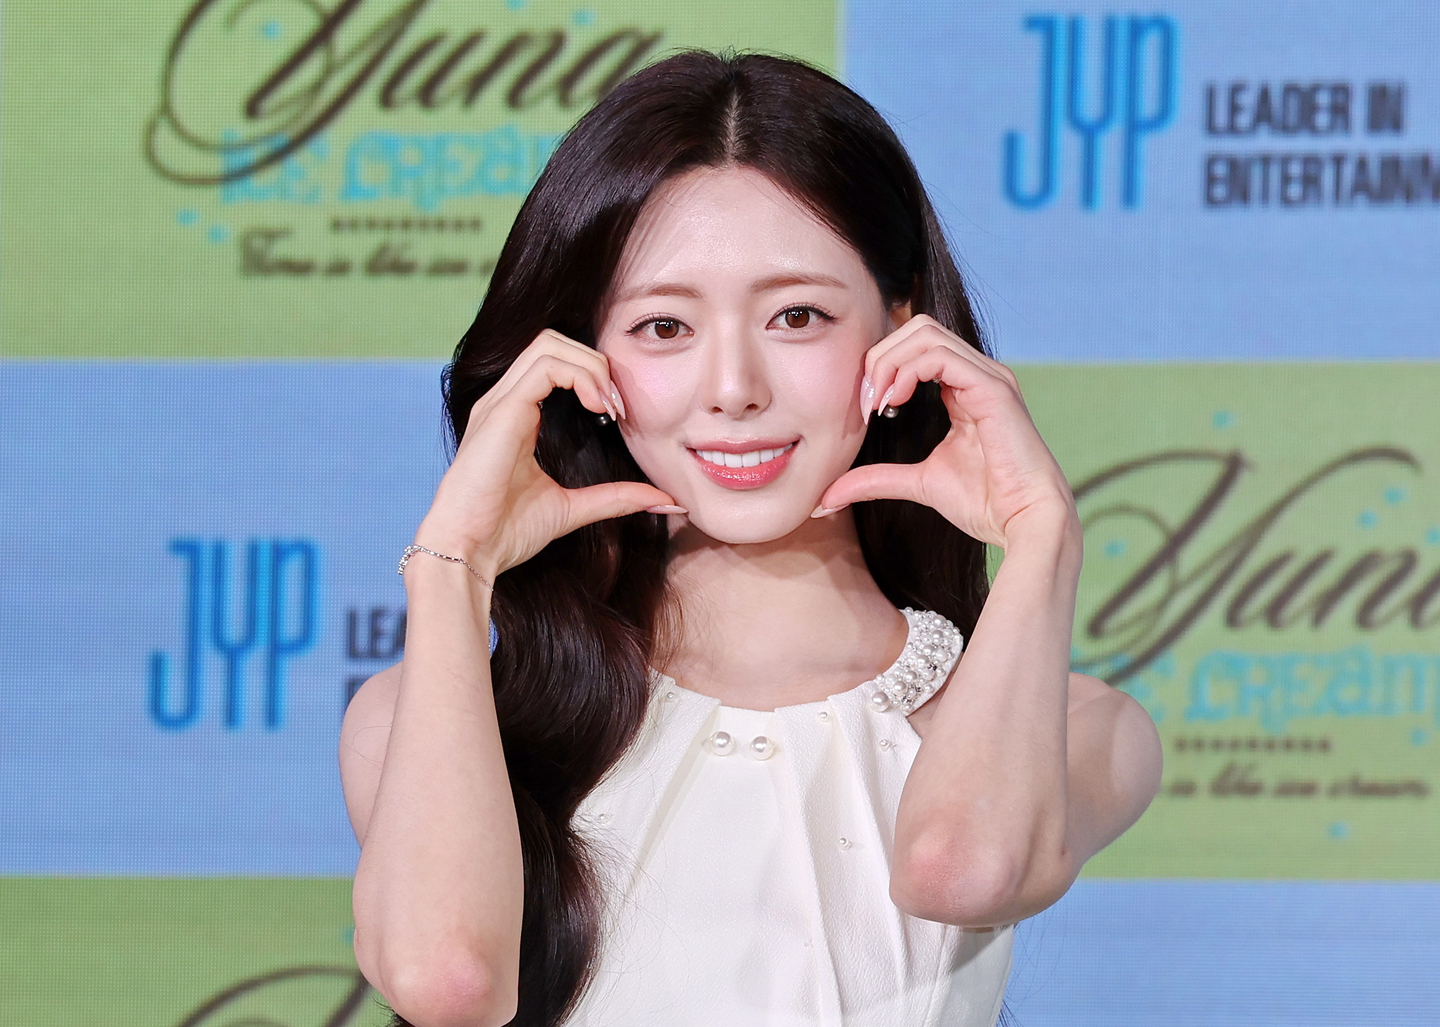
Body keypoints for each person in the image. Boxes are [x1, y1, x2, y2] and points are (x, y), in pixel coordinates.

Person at [338, 49, 1163, 1027]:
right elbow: (447, 983)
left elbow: (965, 866)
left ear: (902, 325)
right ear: (580, 361)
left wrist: (1040, 538)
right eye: (662, 329)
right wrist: (451, 569)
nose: (733, 386)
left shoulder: (1074, 729)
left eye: (797, 315)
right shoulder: (442, 718)